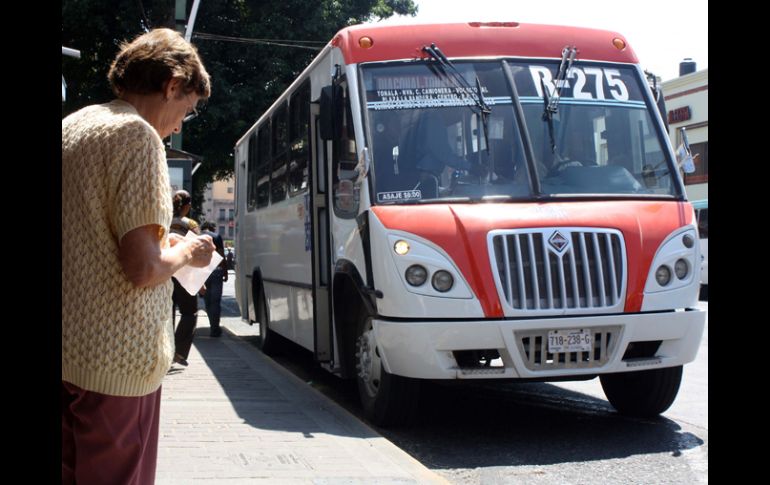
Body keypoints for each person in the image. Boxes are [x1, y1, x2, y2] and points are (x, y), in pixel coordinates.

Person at [61, 28, 215, 485]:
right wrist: (187, 248)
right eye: (186, 107)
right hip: (116, 363)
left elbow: (93, 238)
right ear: (172, 84)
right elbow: (143, 268)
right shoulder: (138, 136)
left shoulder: (73, 126)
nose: (181, 123)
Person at [170, 189, 202, 365]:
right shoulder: (191, 224)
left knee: (167, 313)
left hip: (165, 272)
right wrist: (201, 281)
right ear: (188, 206)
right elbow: (198, 251)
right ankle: (179, 352)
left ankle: (166, 350)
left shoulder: (164, 221)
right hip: (185, 274)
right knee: (189, 313)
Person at [199, 221, 228, 337]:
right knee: (215, 301)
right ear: (211, 228)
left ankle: (213, 325)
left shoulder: (197, 237)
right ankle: (214, 328)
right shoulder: (216, 237)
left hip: (201, 272)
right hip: (215, 271)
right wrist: (225, 272)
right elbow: (221, 256)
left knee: (207, 300)